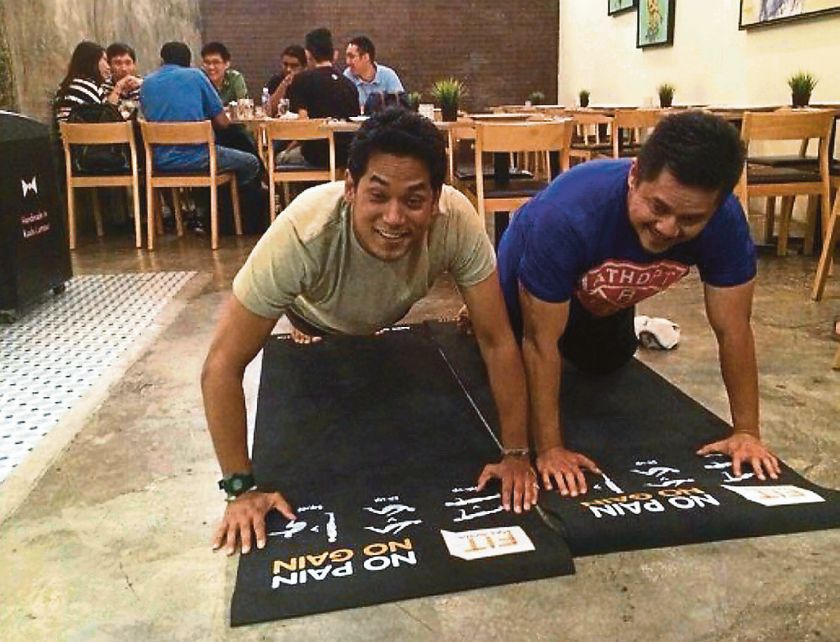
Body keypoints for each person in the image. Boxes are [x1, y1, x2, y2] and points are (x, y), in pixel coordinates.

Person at [202, 109, 535, 555]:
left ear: (436, 200)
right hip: (313, 318)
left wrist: (516, 453)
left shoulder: (456, 220)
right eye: (378, 195)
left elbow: (497, 340)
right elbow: (221, 366)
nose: (394, 217)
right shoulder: (304, 232)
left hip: (389, 317)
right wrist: (240, 490)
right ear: (350, 188)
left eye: (414, 200)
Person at [496, 110, 781, 498]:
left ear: (716, 207)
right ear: (634, 177)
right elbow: (539, 342)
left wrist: (746, 431)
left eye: (690, 218)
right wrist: (550, 449)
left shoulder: (724, 222)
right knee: (509, 359)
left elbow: (734, 328)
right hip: (526, 277)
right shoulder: (565, 215)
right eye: (658, 208)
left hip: (605, 294)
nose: (668, 228)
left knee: (606, 363)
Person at [139, 41, 261, 231]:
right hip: (200, 158)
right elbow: (222, 122)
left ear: (161, 61)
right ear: (190, 63)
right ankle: (232, 219)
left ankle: (199, 216)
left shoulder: (146, 83)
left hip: (159, 162)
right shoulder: (196, 76)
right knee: (251, 162)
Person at [284, 27, 360, 167]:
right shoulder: (349, 85)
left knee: (281, 158)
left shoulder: (302, 80)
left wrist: (288, 148)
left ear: (308, 54)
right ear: (333, 54)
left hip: (316, 156)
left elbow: (303, 124)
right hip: (347, 155)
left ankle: (300, 189)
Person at [53, 41, 140, 125]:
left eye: (128, 63)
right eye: (105, 61)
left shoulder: (67, 85)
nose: (107, 67)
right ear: (93, 62)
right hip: (86, 137)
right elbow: (107, 119)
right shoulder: (89, 86)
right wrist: (118, 88)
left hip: (67, 138)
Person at [343, 36, 404, 113]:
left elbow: (400, 105)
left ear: (366, 57)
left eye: (351, 57)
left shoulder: (388, 76)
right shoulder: (347, 77)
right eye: (347, 57)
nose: (347, 62)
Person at [262, 45, 306, 117]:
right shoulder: (276, 80)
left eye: (294, 65)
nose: (288, 69)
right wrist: (284, 85)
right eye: (285, 64)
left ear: (303, 67)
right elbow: (268, 111)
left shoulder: (309, 82)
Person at [100, 42, 142, 109]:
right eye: (118, 63)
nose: (124, 68)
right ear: (109, 65)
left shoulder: (143, 86)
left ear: (134, 65)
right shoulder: (103, 87)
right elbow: (107, 113)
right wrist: (118, 87)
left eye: (128, 63)